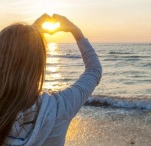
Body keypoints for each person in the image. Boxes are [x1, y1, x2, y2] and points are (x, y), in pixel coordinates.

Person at [0, 14, 102, 146]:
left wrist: (28, 37)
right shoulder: (60, 106)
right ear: (39, 63)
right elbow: (94, 70)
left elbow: (15, 60)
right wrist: (76, 32)